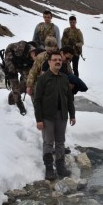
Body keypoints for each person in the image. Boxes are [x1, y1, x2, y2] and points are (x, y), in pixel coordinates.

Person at [34, 51, 76, 180]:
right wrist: (39, 119)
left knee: (60, 142)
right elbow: (37, 100)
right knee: (48, 142)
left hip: (62, 116)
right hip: (47, 117)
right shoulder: (43, 79)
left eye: (59, 60)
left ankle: (60, 167)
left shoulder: (64, 78)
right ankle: (49, 169)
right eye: (55, 60)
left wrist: (72, 115)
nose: (57, 62)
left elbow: (69, 98)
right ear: (49, 62)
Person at [4, 40, 43, 115]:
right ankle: (17, 102)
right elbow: (13, 80)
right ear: (33, 55)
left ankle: (38, 109)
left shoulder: (37, 56)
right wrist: (20, 106)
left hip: (25, 63)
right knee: (15, 84)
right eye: (37, 60)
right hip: (13, 60)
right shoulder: (19, 49)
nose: (38, 62)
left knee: (31, 83)